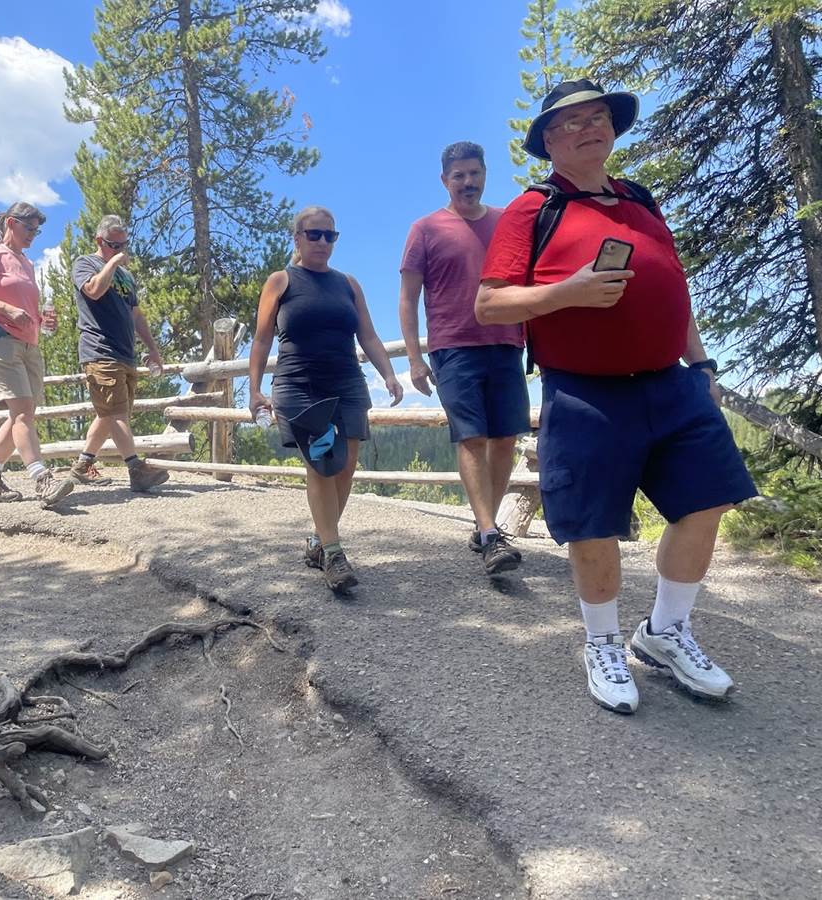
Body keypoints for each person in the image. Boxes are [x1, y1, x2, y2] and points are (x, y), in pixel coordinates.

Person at [476, 79, 757, 714]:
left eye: (598, 117)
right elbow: (488, 303)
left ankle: (663, 632)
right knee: (594, 523)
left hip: (671, 382)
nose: (588, 128)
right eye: (571, 123)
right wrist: (563, 293)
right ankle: (601, 642)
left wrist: (702, 364)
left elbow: (673, 292)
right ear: (549, 140)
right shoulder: (533, 208)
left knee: (706, 500)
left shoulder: (640, 200)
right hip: (584, 390)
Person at [249, 206, 404, 592]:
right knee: (322, 461)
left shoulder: (348, 284)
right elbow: (262, 338)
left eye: (329, 236)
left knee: (347, 463)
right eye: (314, 234)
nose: (322, 242)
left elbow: (367, 335)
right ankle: (334, 554)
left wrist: (388, 374)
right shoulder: (281, 281)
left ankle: (320, 542)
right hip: (299, 383)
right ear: (297, 238)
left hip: (347, 380)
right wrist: (255, 389)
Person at [398, 141, 531, 576]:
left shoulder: (504, 222)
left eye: (474, 174)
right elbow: (408, 297)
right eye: (459, 176)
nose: (467, 182)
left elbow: (525, 283)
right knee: (472, 437)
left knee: (506, 437)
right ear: (445, 180)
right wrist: (416, 360)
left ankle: (483, 526)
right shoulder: (425, 229)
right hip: (453, 346)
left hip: (508, 342)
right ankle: (492, 533)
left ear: (484, 174)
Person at [0, 202, 75, 508]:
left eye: (37, 230)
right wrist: (6, 309)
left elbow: (26, 307)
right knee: (22, 411)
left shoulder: (26, 262)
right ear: (11, 222)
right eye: (29, 228)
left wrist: (42, 321)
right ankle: (41, 479)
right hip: (0, 339)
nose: (34, 235)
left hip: (28, 343)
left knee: (23, 413)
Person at [69, 215, 169, 492]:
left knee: (108, 414)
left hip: (125, 353)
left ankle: (81, 466)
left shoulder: (127, 277)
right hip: (99, 350)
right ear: (99, 241)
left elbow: (136, 315)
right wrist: (112, 263)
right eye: (114, 245)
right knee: (116, 414)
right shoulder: (85, 263)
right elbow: (93, 291)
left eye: (125, 244)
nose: (121, 250)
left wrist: (152, 348)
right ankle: (136, 469)